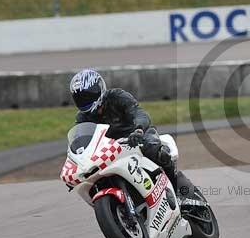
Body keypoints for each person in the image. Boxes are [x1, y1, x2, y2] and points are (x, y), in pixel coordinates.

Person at [69, 69, 196, 202]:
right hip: (113, 149)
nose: (84, 101)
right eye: (80, 98)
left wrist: (139, 130)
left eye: (87, 96)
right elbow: (80, 141)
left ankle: (179, 188)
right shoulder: (82, 117)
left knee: (152, 149)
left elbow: (138, 113)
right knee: (95, 175)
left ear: (99, 89)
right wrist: (76, 168)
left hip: (137, 135)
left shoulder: (117, 96)